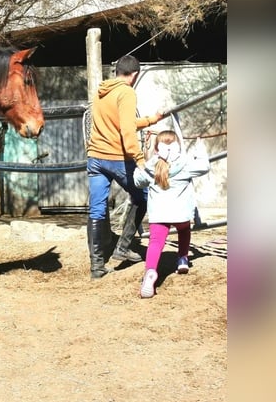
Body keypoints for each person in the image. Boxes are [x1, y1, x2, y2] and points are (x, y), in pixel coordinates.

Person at [85, 54, 163, 279]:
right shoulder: (127, 92)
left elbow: (122, 122)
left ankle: (97, 267)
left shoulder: (101, 92)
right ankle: (123, 246)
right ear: (135, 75)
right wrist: (139, 161)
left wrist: (150, 120)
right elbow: (127, 131)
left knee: (97, 208)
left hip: (95, 157)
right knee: (143, 197)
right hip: (116, 156)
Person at [134, 131, 210, 298]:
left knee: (155, 243)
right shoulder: (186, 164)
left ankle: (150, 272)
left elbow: (137, 182)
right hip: (181, 215)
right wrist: (199, 149)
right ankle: (182, 258)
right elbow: (204, 166)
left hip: (159, 215)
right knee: (184, 230)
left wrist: (144, 163)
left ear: (156, 149)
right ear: (178, 147)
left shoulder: (152, 167)